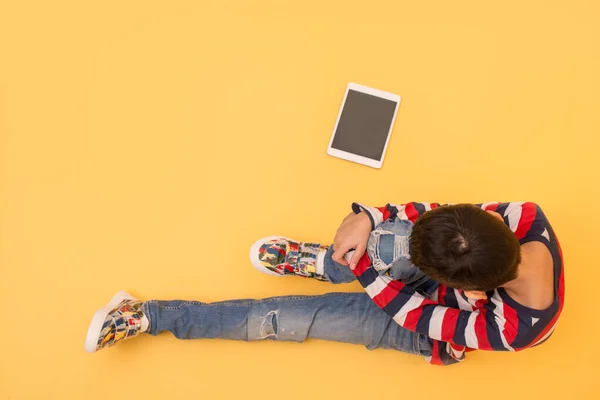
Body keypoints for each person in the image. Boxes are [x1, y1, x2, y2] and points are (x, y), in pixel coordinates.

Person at [84, 201, 564, 366]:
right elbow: (436, 215)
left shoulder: (516, 330)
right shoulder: (520, 217)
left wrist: (365, 272)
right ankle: (327, 260)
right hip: (459, 285)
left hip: (434, 328)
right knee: (392, 240)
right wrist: (369, 218)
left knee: (287, 320)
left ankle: (151, 316)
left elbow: (410, 313)